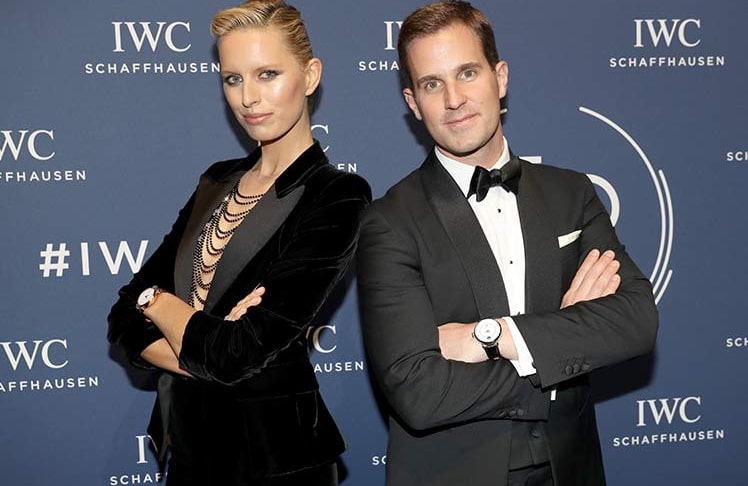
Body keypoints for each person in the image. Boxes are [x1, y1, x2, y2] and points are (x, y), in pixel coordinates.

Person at [356, 1, 658, 485]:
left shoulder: (571, 193)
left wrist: (491, 337)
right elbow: (418, 392)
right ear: (413, 103)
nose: (454, 99)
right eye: (432, 84)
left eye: (467, 73)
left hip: (572, 468)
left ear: (500, 78)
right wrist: (561, 341)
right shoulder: (388, 222)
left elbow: (637, 321)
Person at [107, 1, 371, 484]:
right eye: (233, 79)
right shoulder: (216, 181)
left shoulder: (336, 196)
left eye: (267, 74)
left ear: (310, 76)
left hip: (276, 461)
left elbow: (237, 353)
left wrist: (158, 305)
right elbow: (123, 318)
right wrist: (189, 333)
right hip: (188, 450)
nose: (248, 97)